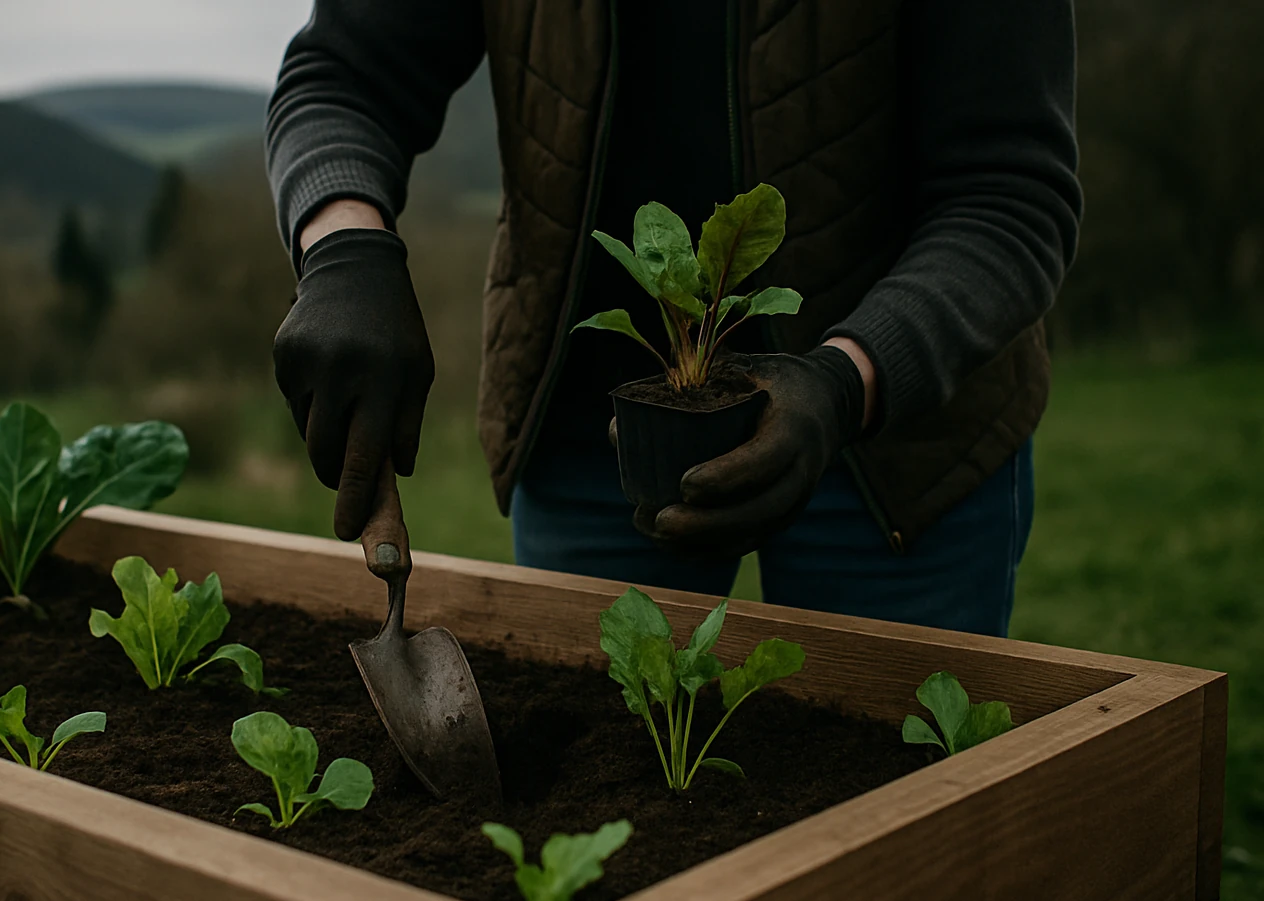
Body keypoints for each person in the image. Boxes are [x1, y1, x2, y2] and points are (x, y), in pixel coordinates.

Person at [265, 0, 1081, 637]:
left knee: (906, 811)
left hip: (901, 447)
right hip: (599, 442)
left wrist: (846, 382)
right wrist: (344, 253)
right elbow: (344, 74)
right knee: (604, 799)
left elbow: (1009, 197)